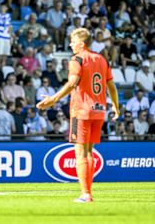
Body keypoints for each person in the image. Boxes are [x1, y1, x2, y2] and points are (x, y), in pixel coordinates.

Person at [36, 28, 120, 203]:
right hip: (99, 111)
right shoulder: (102, 59)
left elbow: (73, 82)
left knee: (80, 153)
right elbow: (111, 86)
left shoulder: (77, 59)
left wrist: (53, 99)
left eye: (73, 41)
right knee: (89, 152)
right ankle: (88, 192)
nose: (70, 44)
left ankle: (86, 194)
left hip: (81, 110)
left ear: (81, 44)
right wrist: (116, 106)